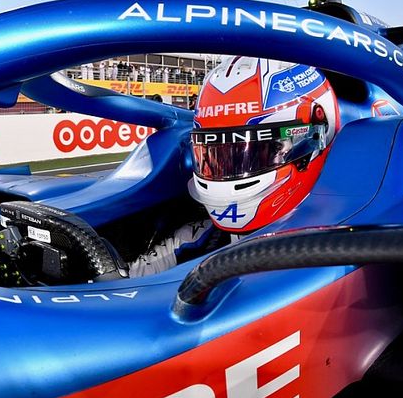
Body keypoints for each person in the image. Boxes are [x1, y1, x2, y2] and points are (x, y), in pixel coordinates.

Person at [127, 56, 340, 276]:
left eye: (258, 153)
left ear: (314, 136)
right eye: (219, 156)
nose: (232, 169)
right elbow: (130, 280)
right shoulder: (202, 238)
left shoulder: (347, 243)